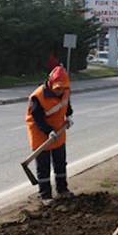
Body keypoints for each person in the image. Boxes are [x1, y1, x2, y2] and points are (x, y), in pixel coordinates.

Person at [25, 65, 75, 206]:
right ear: (51, 83)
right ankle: (46, 195)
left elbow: (66, 104)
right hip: (40, 133)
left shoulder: (65, 91)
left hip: (58, 130)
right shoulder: (38, 96)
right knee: (44, 166)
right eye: (58, 88)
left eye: (63, 88)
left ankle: (62, 190)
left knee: (60, 163)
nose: (60, 91)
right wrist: (48, 131)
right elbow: (37, 118)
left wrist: (69, 115)